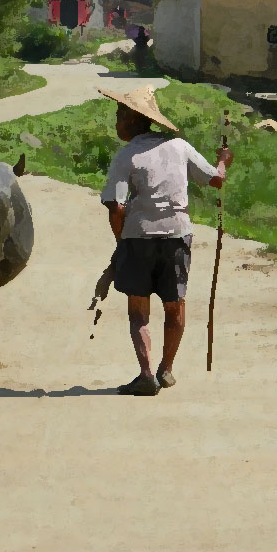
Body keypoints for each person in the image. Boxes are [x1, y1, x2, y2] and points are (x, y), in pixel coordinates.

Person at [96, 85, 234, 396]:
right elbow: (215, 179)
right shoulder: (179, 146)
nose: (116, 122)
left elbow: (116, 207)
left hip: (139, 238)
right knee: (175, 305)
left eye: (120, 115)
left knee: (138, 310)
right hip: (176, 235)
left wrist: (123, 243)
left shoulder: (126, 156)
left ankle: (146, 374)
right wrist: (224, 159)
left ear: (134, 120)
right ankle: (166, 369)